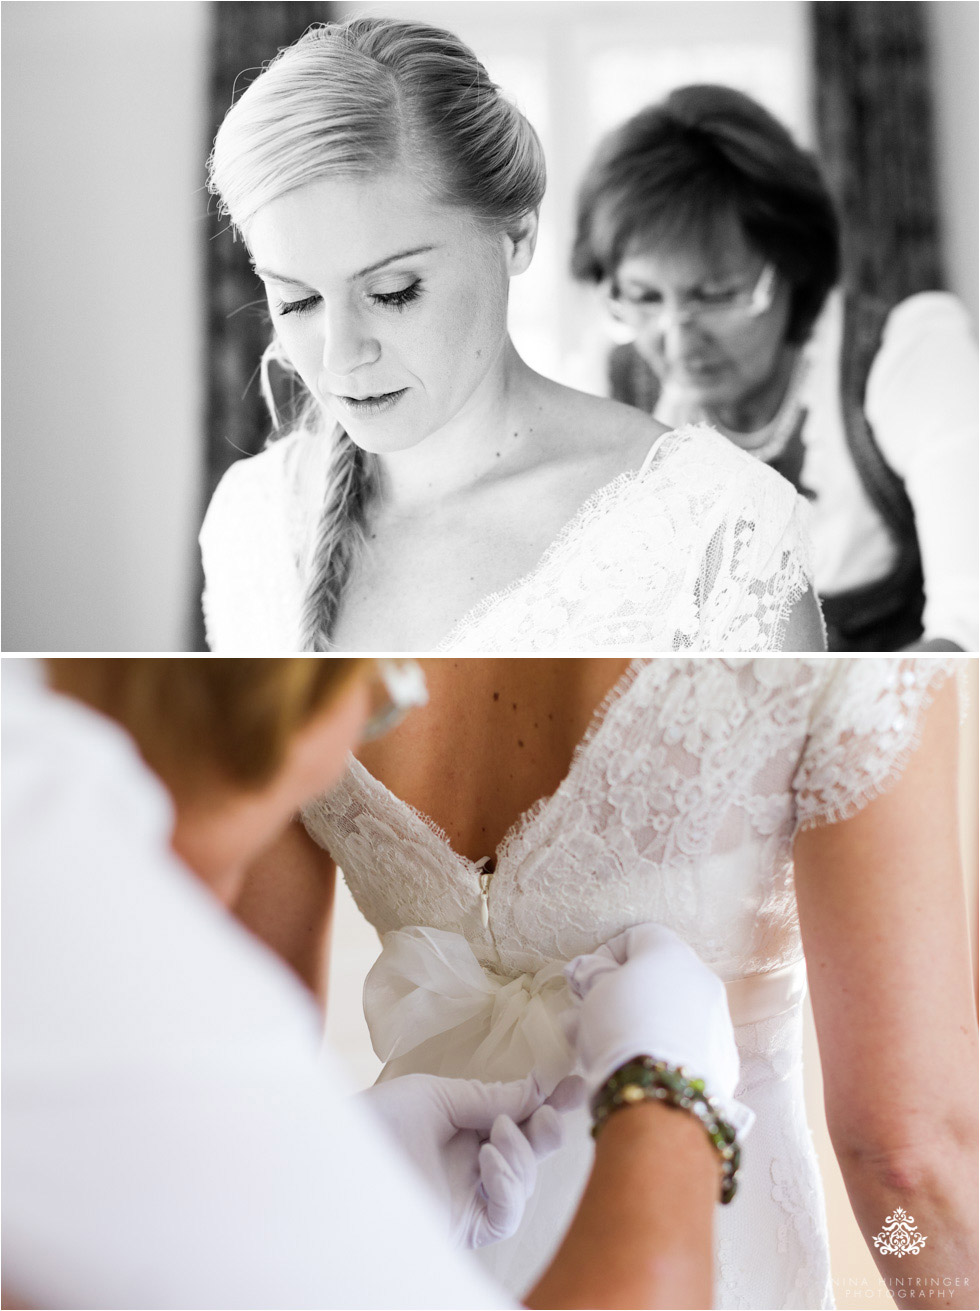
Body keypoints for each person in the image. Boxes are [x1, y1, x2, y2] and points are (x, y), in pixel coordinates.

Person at [2, 656, 752, 1310]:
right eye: (387, 688)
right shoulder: (162, 1024)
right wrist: (667, 1096)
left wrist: (321, 1195)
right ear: (285, 692)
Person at [239, 657, 979, 1308]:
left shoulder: (279, 639)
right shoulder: (852, 613)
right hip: (697, 1249)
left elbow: (242, 1073)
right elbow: (907, 1157)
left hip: (413, 1240)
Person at [200, 18, 825, 654]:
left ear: (518, 235)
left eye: (393, 292)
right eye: (297, 299)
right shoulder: (250, 522)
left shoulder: (717, 527)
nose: (340, 356)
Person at [570, 85, 979, 653]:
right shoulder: (613, 389)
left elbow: (970, 632)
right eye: (641, 297)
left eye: (715, 295)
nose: (677, 337)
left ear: (791, 265)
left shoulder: (903, 355)